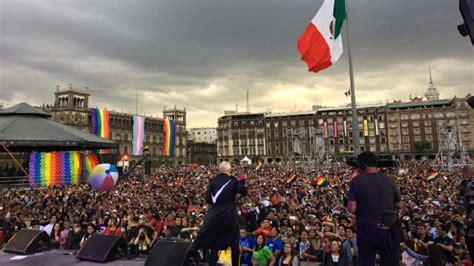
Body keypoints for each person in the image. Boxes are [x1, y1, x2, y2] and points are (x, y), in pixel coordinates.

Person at [346, 151, 402, 266]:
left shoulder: (356, 181)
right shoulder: (388, 179)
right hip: (388, 230)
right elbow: (399, 205)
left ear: (362, 165)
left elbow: (352, 208)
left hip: (367, 230)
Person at [193, 161, 247, 266]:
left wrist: (209, 216)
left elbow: (208, 201)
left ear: (219, 170)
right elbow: (244, 191)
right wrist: (240, 183)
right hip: (229, 215)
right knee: (234, 243)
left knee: (216, 243)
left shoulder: (212, 181)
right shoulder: (233, 180)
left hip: (215, 216)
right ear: (229, 170)